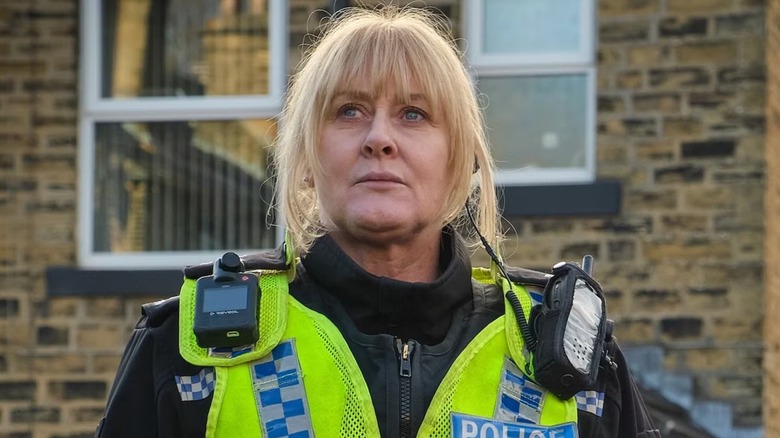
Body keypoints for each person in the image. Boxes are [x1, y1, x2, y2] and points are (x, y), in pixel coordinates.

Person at [95, 6, 660, 438]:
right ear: (308, 160)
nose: (379, 138)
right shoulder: (191, 350)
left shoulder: (564, 357)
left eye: (414, 114)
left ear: (460, 161)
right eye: (349, 111)